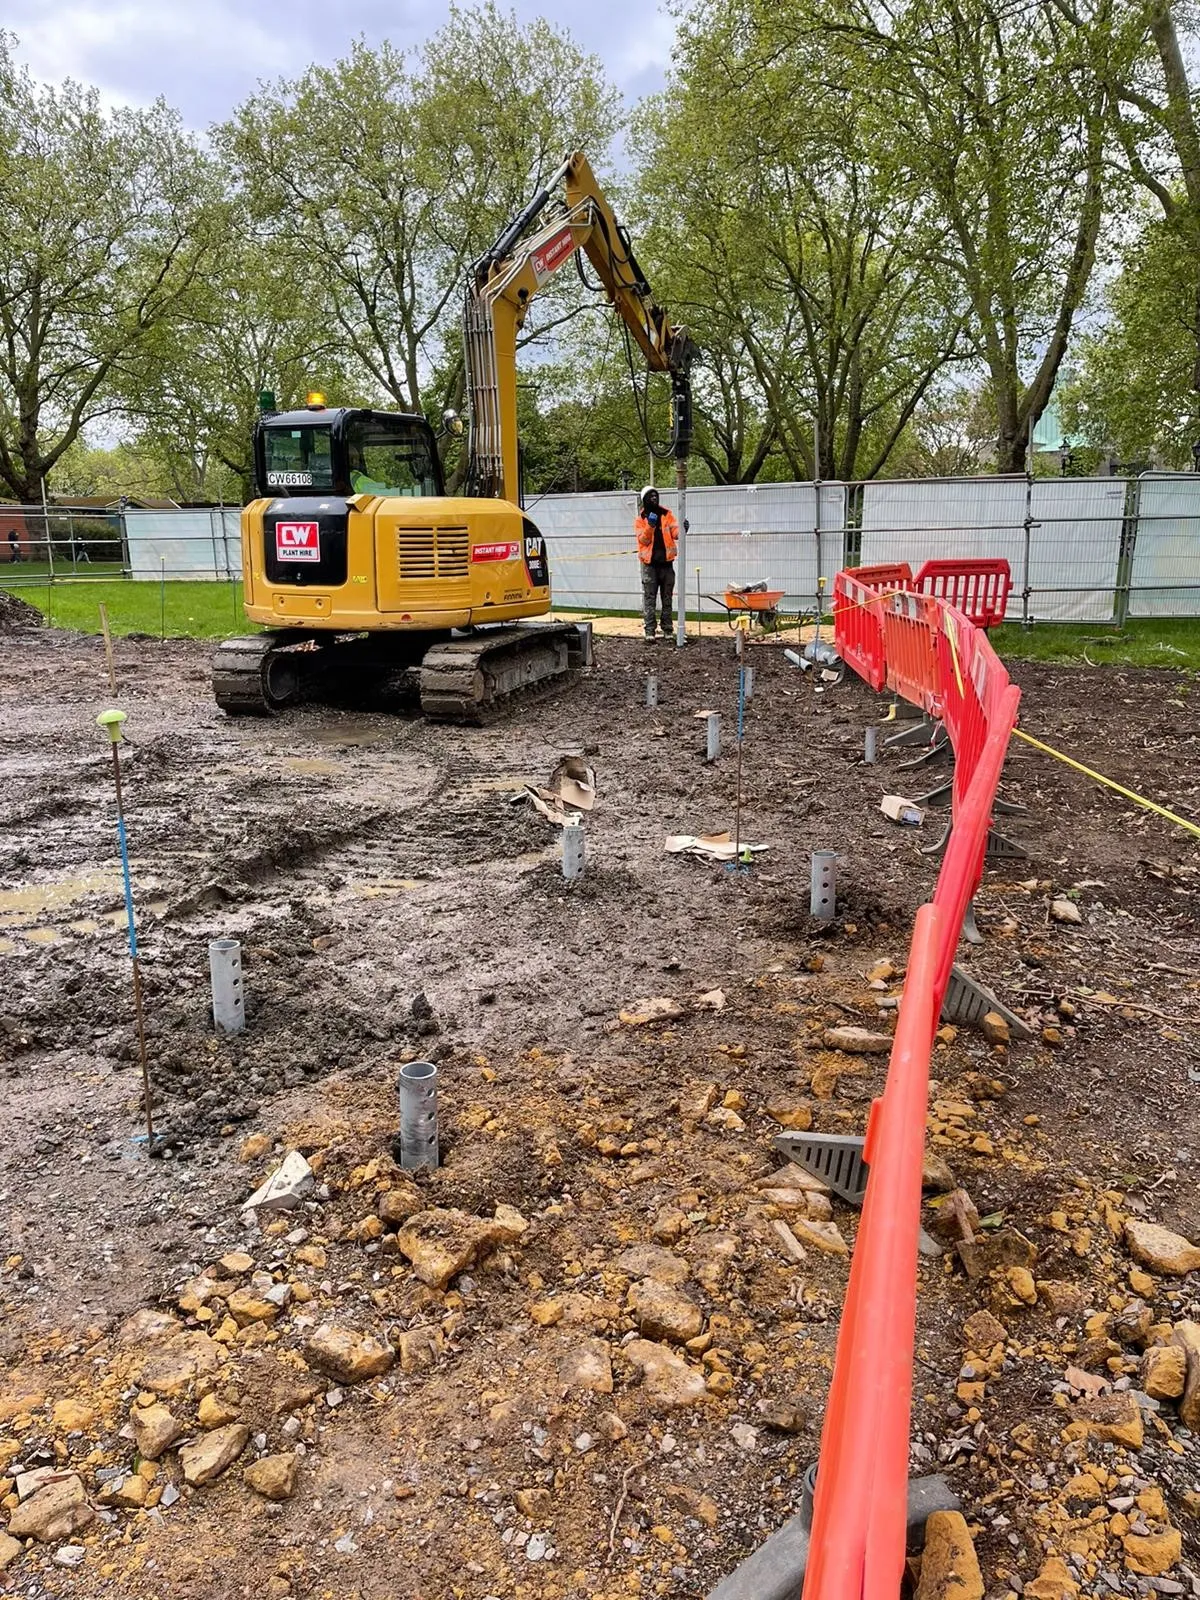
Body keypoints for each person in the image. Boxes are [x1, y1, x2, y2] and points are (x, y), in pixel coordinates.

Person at [635, 485, 679, 643]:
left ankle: (667, 629)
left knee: (667, 598)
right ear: (645, 500)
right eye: (650, 496)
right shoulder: (641, 520)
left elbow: (676, 532)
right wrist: (650, 526)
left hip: (667, 564)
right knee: (650, 598)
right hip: (650, 565)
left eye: (656, 495)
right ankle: (649, 631)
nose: (654, 498)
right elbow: (644, 540)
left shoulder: (666, 514)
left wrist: (683, 529)